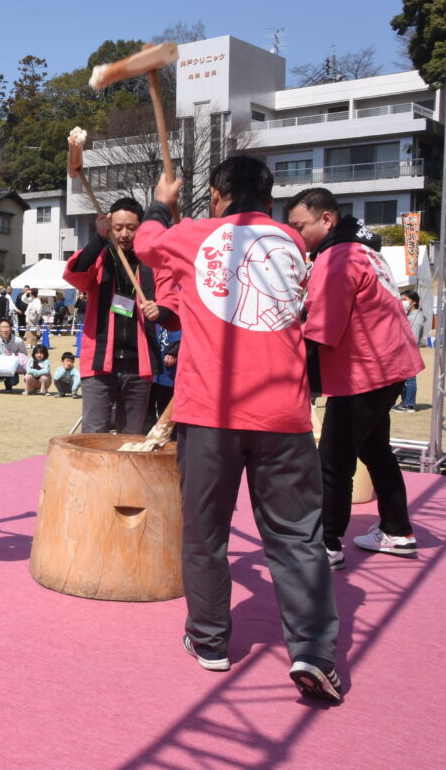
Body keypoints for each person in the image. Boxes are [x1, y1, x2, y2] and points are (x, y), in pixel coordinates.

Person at [136, 156, 341, 703]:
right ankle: (313, 652)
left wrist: (162, 200)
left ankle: (210, 642)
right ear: (271, 202)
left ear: (217, 195)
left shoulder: (191, 233)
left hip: (211, 412)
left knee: (205, 533)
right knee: (298, 537)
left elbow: (145, 242)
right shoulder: (295, 244)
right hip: (284, 414)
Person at [287, 187, 424, 567]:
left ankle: (326, 543)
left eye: (300, 226)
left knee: (333, 459)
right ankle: (397, 530)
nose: (297, 235)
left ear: (326, 219)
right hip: (390, 365)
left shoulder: (337, 257)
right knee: (376, 451)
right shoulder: (365, 250)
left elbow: (321, 329)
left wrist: (286, 361)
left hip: (364, 369)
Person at [65, 197, 168, 434]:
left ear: (141, 228)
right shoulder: (100, 256)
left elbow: (169, 296)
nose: (124, 234)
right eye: (118, 228)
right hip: (100, 362)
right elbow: (76, 274)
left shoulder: (152, 262)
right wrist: (99, 238)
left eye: (131, 228)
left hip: (139, 363)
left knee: (132, 434)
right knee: (94, 432)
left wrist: (159, 310)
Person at [394, 289, 426, 413]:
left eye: (405, 300)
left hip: (409, 350)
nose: (402, 302)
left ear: (414, 302)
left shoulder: (417, 316)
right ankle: (405, 401)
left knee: (409, 378)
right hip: (402, 350)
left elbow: (414, 336)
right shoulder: (408, 315)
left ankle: (409, 404)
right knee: (403, 378)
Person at [147, 323, 181, 430]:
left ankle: (169, 439)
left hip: (169, 369)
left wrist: (174, 350)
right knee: (146, 408)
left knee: (166, 407)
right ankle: (145, 437)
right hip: (149, 365)